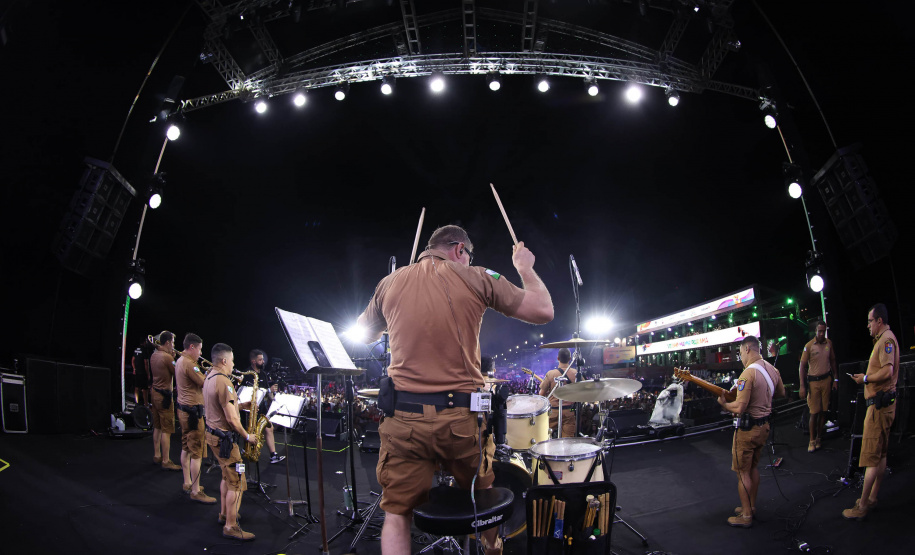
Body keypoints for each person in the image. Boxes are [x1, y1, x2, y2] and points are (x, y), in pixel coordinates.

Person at [357, 225, 553, 555]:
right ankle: (492, 549)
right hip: (461, 420)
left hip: (403, 419)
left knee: (397, 513)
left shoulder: (389, 283)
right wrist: (525, 268)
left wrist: (396, 301)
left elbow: (363, 334)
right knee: (483, 493)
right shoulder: (477, 276)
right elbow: (543, 311)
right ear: (460, 250)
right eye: (468, 256)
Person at [717, 335, 785, 528]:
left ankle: (746, 516)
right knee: (753, 468)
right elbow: (781, 393)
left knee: (742, 473)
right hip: (764, 428)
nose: (741, 358)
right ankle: (751, 507)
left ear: (747, 349)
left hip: (747, 430)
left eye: (740, 353)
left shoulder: (747, 374)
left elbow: (739, 408)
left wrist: (724, 404)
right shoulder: (772, 369)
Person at [844, 303, 899, 520]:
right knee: (881, 454)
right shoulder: (886, 339)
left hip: (878, 407)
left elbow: (887, 371)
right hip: (885, 405)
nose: (867, 325)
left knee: (871, 457)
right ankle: (873, 498)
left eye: (869, 321)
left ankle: (863, 505)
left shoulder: (885, 340)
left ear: (879, 321)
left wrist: (865, 378)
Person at [204, 343, 258, 541]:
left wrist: (242, 404)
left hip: (213, 436)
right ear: (224, 360)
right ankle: (231, 526)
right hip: (226, 440)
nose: (233, 365)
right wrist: (247, 436)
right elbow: (232, 420)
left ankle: (225, 513)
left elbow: (222, 406)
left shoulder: (210, 377)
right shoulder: (225, 382)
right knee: (237, 480)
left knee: (227, 476)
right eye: (232, 361)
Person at [175, 332, 216, 504]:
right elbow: (205, 383)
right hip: (193, 413)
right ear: (191, 347)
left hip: (184, 411)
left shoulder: (180, 361)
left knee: (186, 447)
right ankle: (195, 490)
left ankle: (187, 482)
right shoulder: (189, 364)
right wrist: (213, 372)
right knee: (197, 452)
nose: (200, 353)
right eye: (199, 349)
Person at [798, 320, 838, 452]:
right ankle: (812, 440)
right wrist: (802, 386)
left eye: (823, 331)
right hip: (813, 382)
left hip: (826, 380)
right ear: (815, 331)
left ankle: (819, 437)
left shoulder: (829, 343)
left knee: (824, 411)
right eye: (819, 331)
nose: (822, 334)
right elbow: (802, 366)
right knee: (814, 412)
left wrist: (835, 379)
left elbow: (832, 361)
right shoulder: (809, 346)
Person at [240, 350, 285, 464]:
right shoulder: (246, 373)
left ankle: (273, 455)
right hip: (249, 409)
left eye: (263, 359)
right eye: (260, 359)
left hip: (262, 409)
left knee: (269, 428)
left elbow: (268, 394)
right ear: (253, 361)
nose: (263, 361)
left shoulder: (264, 374)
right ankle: (246, 451)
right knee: (250, 431)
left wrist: (272, 394)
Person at [150, 331, 181, 470]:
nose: (174, 345)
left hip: (154, 393)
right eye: (173, 342)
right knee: (166, 429)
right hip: (164, 397)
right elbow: (177, 373)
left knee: (157, 426)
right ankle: (166, 460)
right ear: (167, 342)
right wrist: (174, 358)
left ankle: (157, 455)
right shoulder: (167, 358)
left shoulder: (154, 355)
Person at [539, 347, 578, 438]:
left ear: (558, 358)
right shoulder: (575, 373)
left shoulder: (551, 374)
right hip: (569, 412)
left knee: (545, 436)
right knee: (567, 441)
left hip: (553, 411)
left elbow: (541, 395)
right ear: (569, 359)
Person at [131, 338, 154, 406]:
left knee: (136, 387)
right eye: (146, 342)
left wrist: (134, 369)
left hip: (137, 372)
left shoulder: (136, 349)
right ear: (144, 342)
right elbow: (146, 363)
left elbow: (132, 360)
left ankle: (136, 402)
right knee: (145, 389)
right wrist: (148, 374)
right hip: (143, 372)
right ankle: (146, 404)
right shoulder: (144, 350)